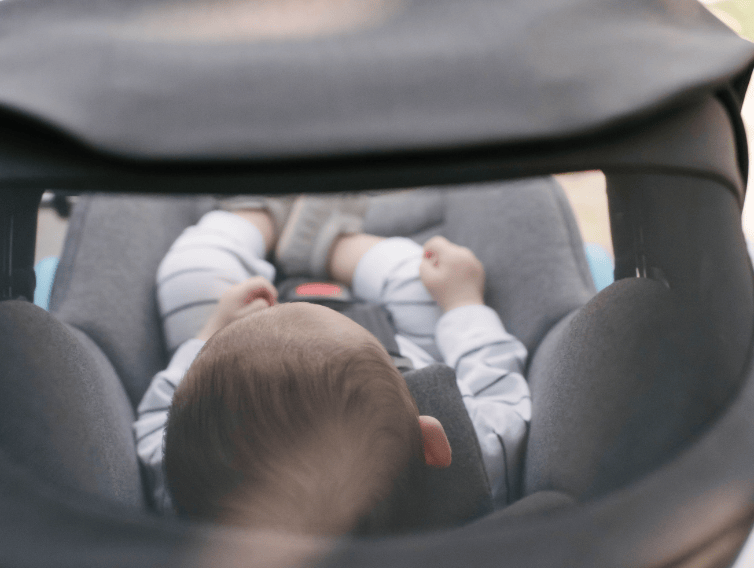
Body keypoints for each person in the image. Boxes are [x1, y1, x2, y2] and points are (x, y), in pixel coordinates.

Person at [133, 194, 530, 534]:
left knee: (191, 274)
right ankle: (331, 244)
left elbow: (154, 425)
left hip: (234, 328)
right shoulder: (476, 459)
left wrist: (208, 335)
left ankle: (258, 213)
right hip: (403, 343)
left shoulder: (182, 499)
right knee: (418, 280)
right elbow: (499, 391)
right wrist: (463, 303)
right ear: (431, 442)